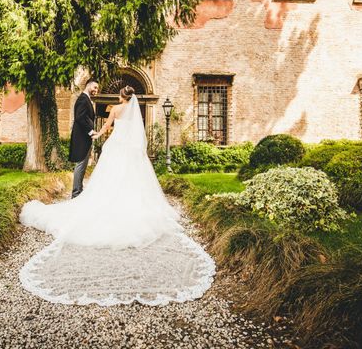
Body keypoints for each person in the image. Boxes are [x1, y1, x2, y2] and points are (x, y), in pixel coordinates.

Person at [19, 85, 215, 306]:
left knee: (109, 178)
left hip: (115, 149)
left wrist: (96, 134)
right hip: (130, 151)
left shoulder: (114, 109)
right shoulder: (135, 113)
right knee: (132, 179)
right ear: (131, 98)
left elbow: (106, 128)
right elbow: (137, 135)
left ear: (121, 96)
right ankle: (129, 205)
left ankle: (106, 202)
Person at [68, 79, 98, 198]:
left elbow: (85, 117)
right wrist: (90, 131)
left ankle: (78, 191)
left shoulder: (86, 99)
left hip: (84, 137)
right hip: (81, 137)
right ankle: (76, 193)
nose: (96, 90)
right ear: (88, 86)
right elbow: (80, 117)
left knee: (83, 164)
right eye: (95, 87)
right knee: (80, 164)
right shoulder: (82, 99)